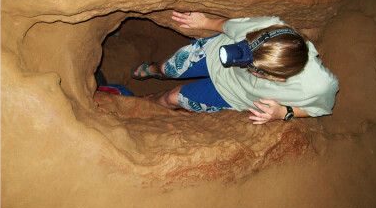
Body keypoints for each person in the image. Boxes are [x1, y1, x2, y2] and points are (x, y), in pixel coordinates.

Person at [131, 11, 339, 124]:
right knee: (169, 68)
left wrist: (283, 112)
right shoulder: (268, 28)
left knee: (172, 98)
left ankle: (150, 103)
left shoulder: (318, 86)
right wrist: (204, 21)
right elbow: (227, 26)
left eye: (251, 68)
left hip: (233, 94)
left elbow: (319, 109)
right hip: (216, 52)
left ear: (277, 78)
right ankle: (155, 70)